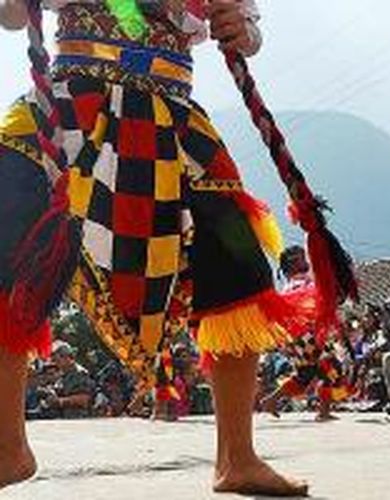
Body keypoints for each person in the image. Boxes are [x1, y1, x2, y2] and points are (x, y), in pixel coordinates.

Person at [0, 1, 309, 495]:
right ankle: (6, 447)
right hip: (68, 103)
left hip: (173, 114)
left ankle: (238, 458)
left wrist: (242, 30)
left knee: (239, 264)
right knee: (7, 246)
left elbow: (246, 30)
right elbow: (13, 15)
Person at [260, 246, 353, 422]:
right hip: (307, 335)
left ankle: (271, 400)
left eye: (304, 257)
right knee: (332, 368)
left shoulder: (294, 285)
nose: (305, 261)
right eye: (300, 258)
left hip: (299, 337)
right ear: (291, 265)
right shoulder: (299, 284)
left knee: (306, 374)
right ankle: (323, 412)